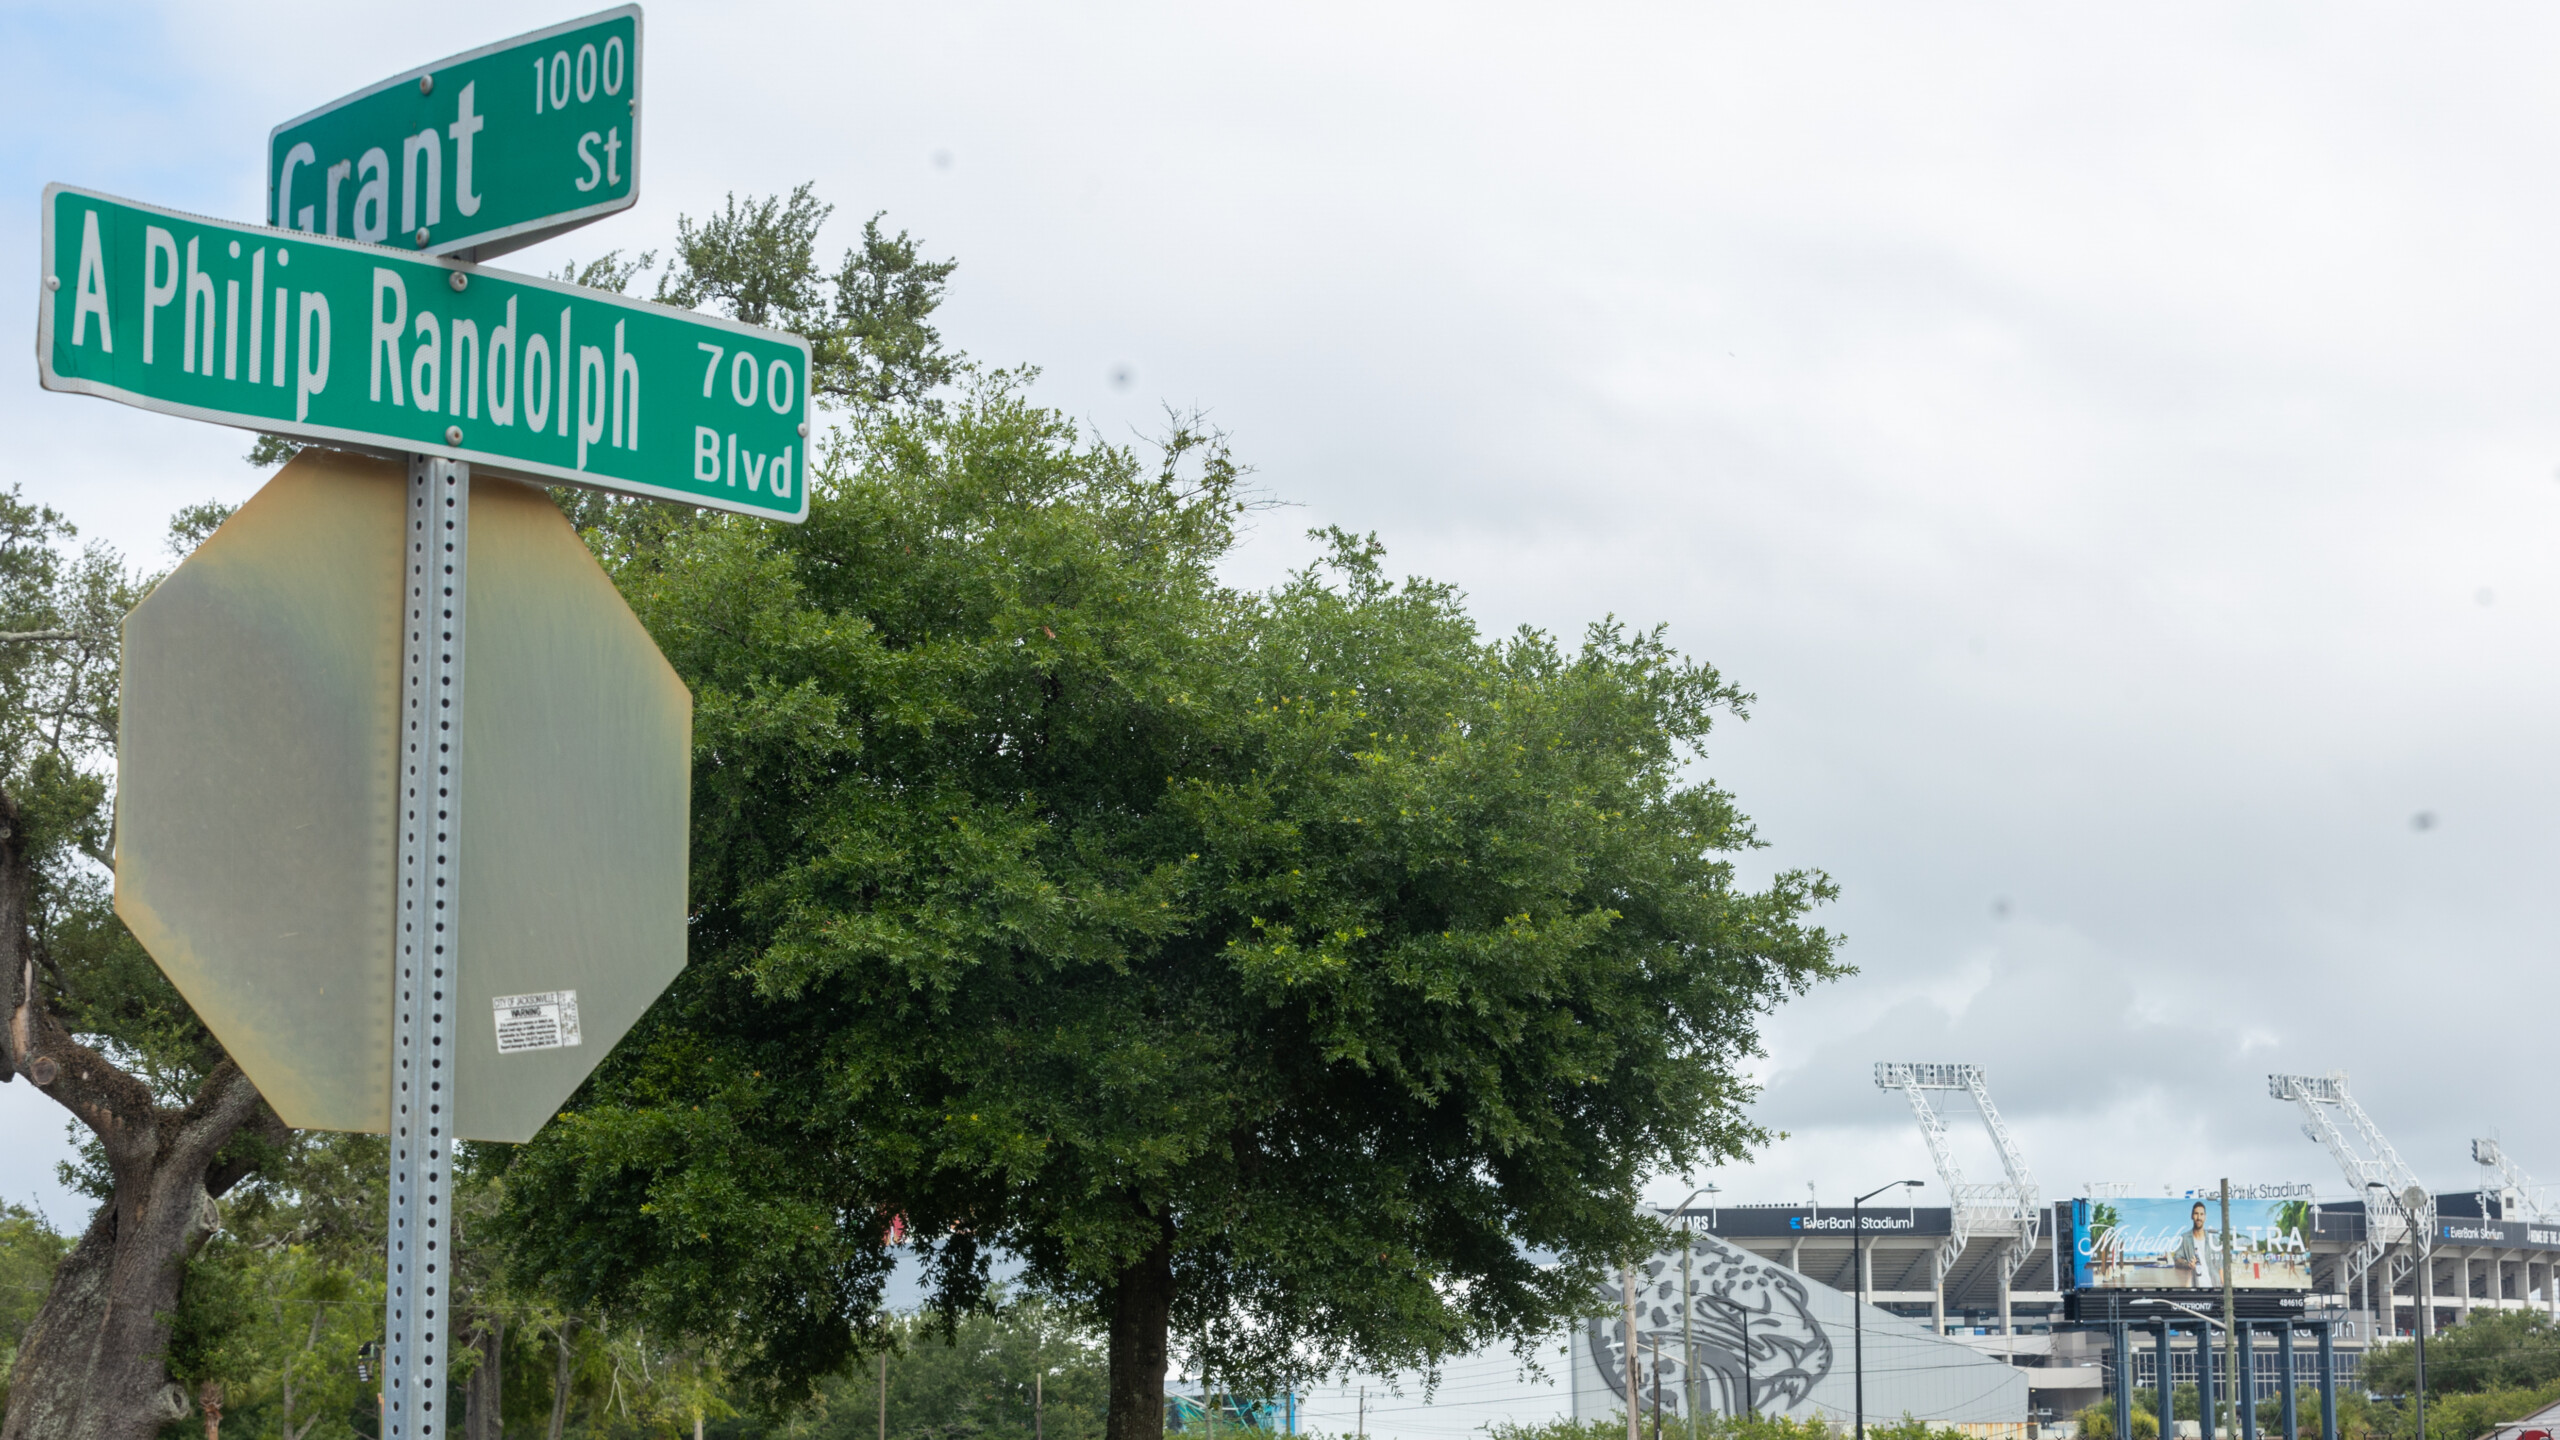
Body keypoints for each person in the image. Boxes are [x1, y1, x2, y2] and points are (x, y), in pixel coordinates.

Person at [2170, 1201, 2219, 1288]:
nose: (2199, 1217)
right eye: (2196, 1214)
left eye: (2201, 1214)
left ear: (2205, 1217)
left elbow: (2219, 1266)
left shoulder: (2213, 1239)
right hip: (2195, 1289)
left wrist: (2223, 1288)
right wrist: (2187, 1264)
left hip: (2213, 1287)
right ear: (2192, 1216)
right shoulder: (2185, 1238)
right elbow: (2177, 1259)